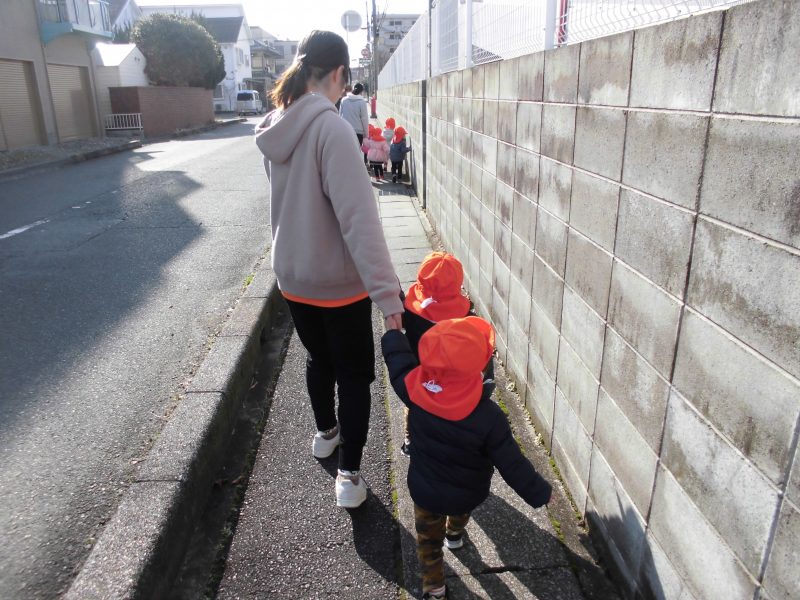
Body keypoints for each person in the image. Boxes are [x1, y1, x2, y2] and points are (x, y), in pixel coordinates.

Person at [255, 30, 403, 509]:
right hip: (339, 286)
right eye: (347, 79)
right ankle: (349, 476)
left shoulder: (275, 123)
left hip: (294, 279)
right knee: (355, 376)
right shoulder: (332, 128)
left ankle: (325, 433)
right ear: (340, 73)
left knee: (319, 360)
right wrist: (388, 297)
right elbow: (359, 222)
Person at [381, 317, 552, 600]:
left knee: (427, 540)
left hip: (425, 492)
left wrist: (393, 335)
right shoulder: (490, 417)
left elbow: (398, 366)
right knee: (458, 513)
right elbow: (512, 464)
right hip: (467, 493)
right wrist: (540, 492)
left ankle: (435, 587)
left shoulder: (415, 390)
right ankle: (456, 535)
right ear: (480, 365)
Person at [400, 251, 491, 456]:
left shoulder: (411, 311)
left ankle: (410, 440)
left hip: (419, 371)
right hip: (452, 377)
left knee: (414, 405)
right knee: (449, 412)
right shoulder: (464, 316)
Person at [339, 81, 369, 165]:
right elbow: (364, 119)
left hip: (345, 131)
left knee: (346, 152)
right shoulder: (361, 102)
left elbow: (340, 115)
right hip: (358, 132)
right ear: (361, 91)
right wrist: (366, 135)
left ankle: (346, 168)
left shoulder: (344, 100)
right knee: (356, 153)